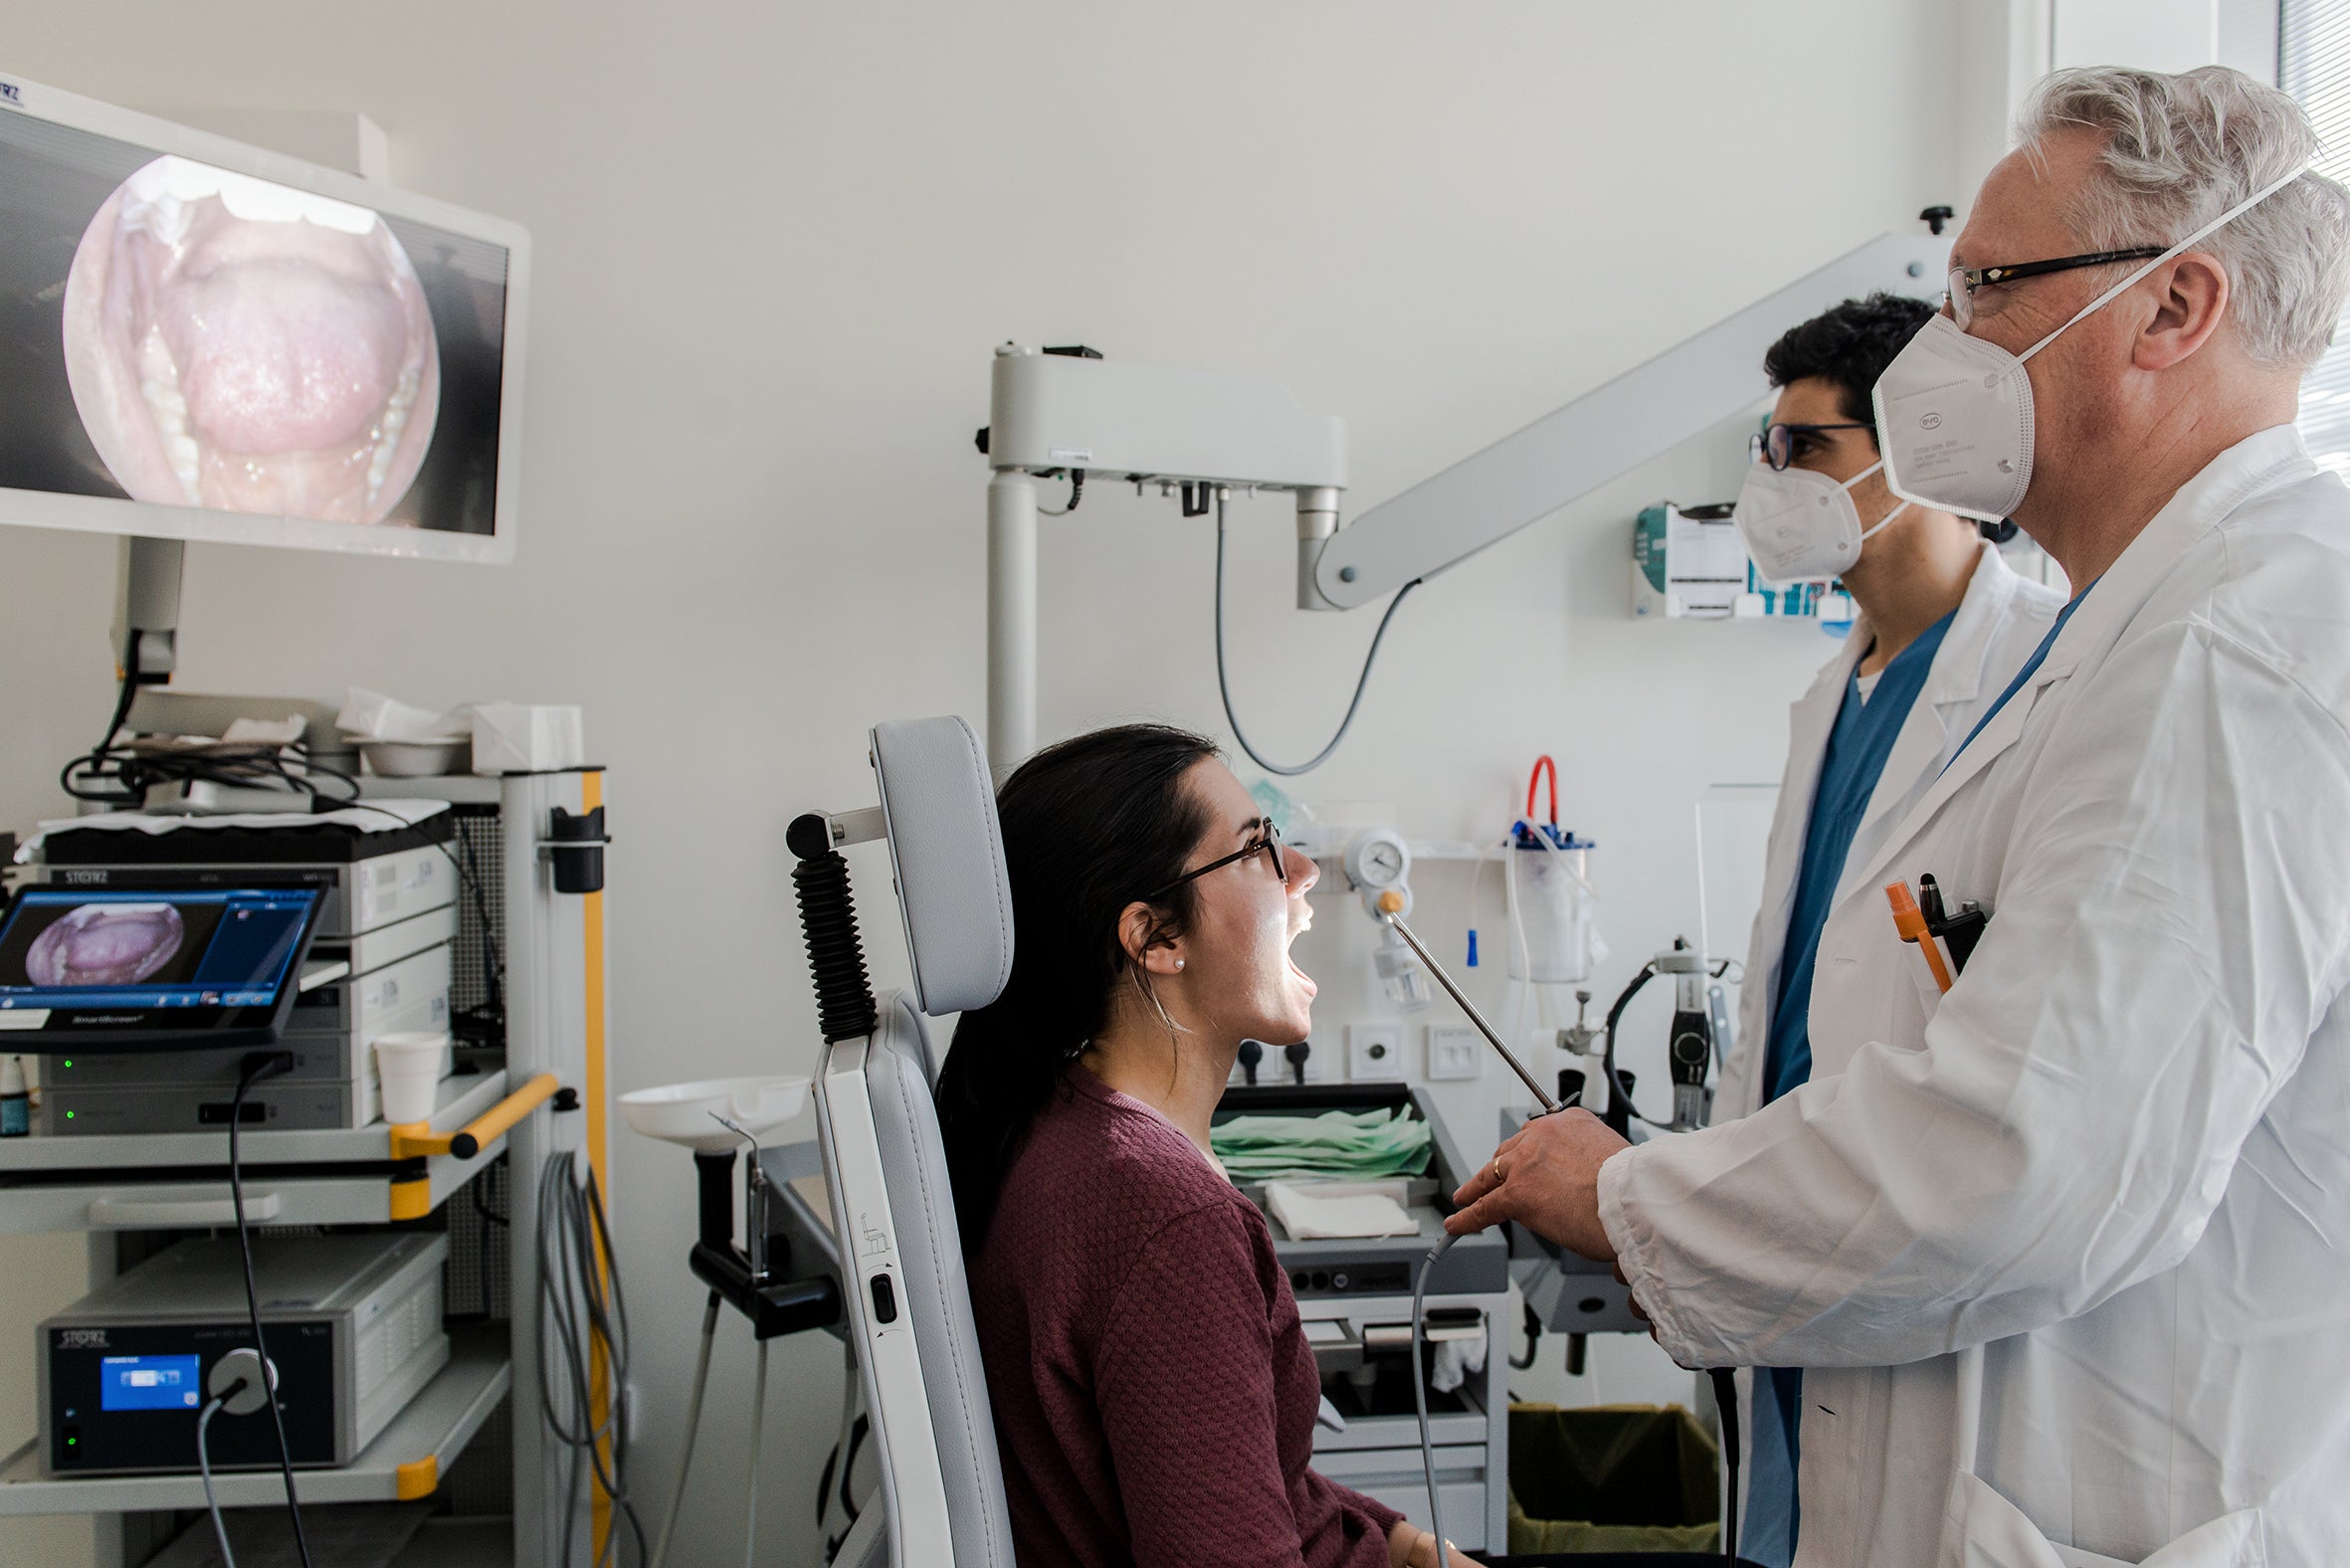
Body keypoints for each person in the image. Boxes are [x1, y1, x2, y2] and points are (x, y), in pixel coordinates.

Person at [1447, 64, 2350, 1564]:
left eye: (1986, 287)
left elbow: (2023, 1161)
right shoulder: (2130, 626)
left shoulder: (2231, 644)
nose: (1945, 347)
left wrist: (1632, 1196)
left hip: (2106, 1492)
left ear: (2172, 310)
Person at [935, 723, 1479, 1568]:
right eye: (1259, 849)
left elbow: (1258, 1480)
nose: (1303, 871)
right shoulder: (1160, 1212)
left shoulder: (1067, 1125)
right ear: (1156, 938)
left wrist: (1407, 1546)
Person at [1718, 294, 2064, 1566]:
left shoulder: (2048, 675)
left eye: (1804, 446)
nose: (1776, 481)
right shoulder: (1831, 694)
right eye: (1771, 450)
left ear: (1911, 448)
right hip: (1803, 1242)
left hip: (1932, 1267)